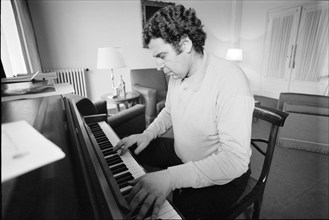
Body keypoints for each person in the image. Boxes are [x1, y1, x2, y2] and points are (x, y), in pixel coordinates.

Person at [114, 4, 254, 219]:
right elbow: (169, 111)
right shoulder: (177, 73)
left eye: (162, 55)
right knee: (132, 149)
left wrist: (171, 178)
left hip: (224, 172)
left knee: (174, 211)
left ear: (185, 44)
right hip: (182, 154)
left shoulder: (231, 80)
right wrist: (147, 134)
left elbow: (234, 161)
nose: (158, 66)